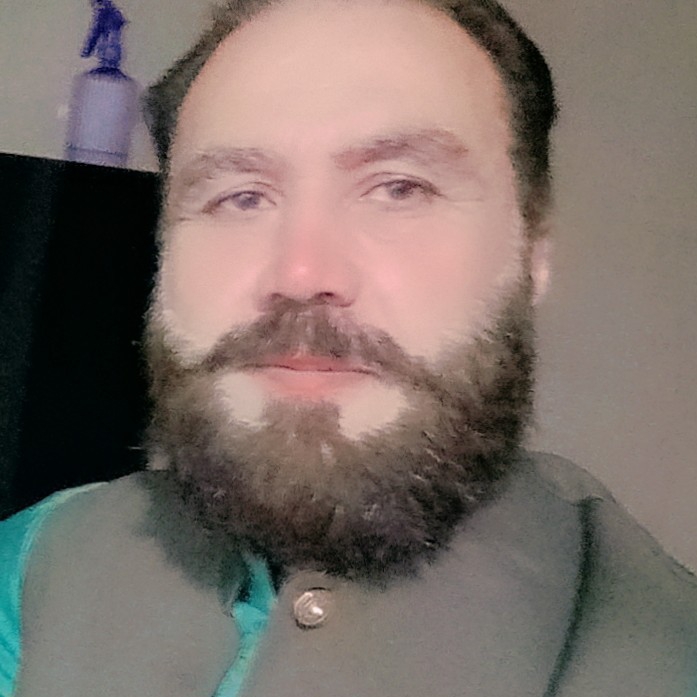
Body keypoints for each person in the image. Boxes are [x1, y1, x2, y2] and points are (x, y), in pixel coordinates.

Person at [2, 0, 696, 694]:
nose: (302, 273)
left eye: (399, 188)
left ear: (532, 252)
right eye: (240, 197)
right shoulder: (38, 561)